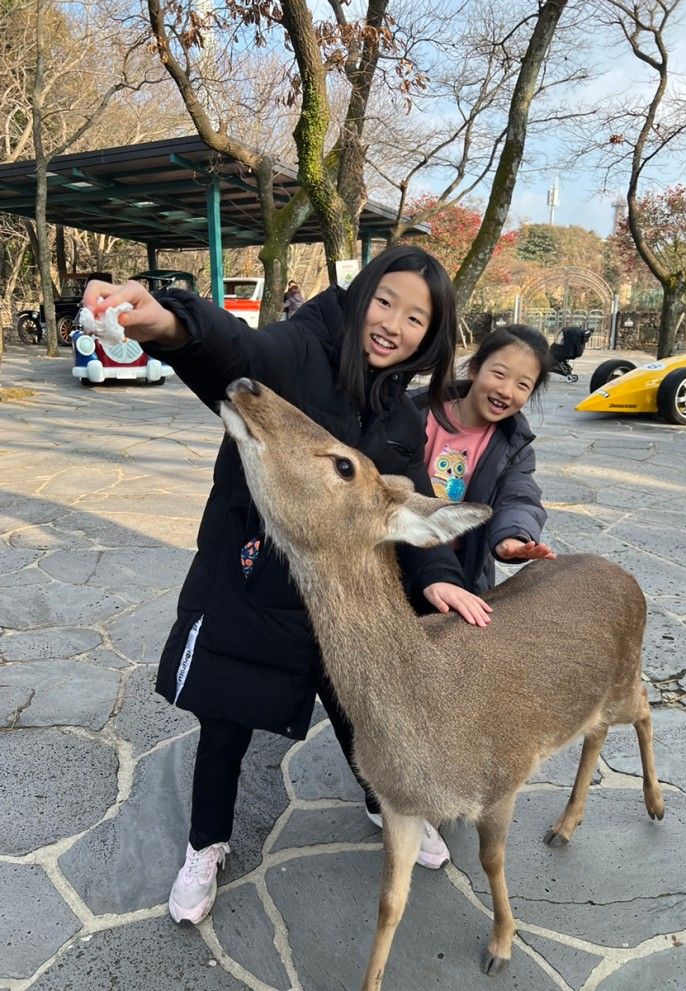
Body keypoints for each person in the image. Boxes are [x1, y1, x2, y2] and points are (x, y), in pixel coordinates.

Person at [82, 245, 492, 926]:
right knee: (224, 727)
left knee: (364, 712)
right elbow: (240, 356)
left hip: (340, 610)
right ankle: (204, 844)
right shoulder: (305, 347)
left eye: (416, 317)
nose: (392, 323)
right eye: (384, 300)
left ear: (433, 333)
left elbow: (404, 503)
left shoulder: (402, 418)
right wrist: (174, 323)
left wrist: (442, 577)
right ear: (360, 295)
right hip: (251, 585)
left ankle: (381, 799)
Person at [413, 324, 556, 594]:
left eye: (522, 385)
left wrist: (513, 535)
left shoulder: (514, 448)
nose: (506, 390)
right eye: (499, 374)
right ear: (475, 369)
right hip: (396, 552)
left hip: (457, 570)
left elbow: (518, 495)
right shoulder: (417, 414)